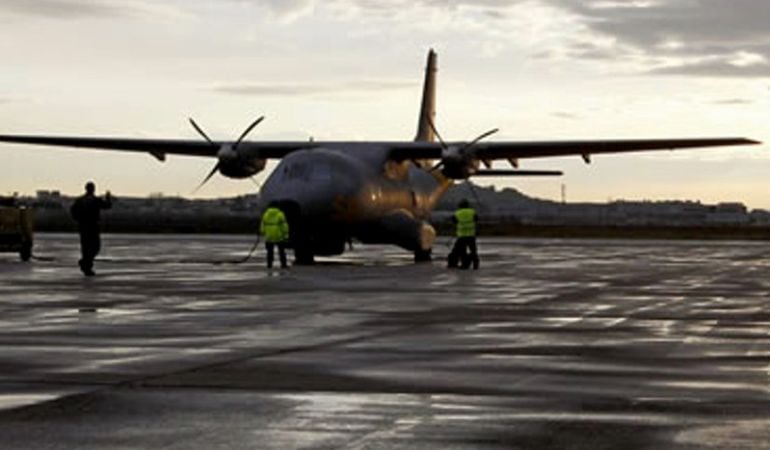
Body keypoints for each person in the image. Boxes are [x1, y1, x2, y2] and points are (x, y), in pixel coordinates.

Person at [70, 181, 112, 276]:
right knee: (95, 247)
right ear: (93, 189)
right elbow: (107, 206)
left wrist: (78, 220)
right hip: (92, 226)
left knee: (86, 248)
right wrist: (108, 198)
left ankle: (86, 264)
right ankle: (86, 264)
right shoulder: (95, 200)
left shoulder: (80, 200)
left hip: (83, 227)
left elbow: (73, 211)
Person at [447, 199, 479, 270]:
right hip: (471, 235)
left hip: (461, 235)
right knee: (473, 250)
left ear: (460, 206)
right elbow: (476, 220)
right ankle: (475, 264)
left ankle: (464, 265)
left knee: (462, 251)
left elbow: (454, 222)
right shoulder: (472, 212)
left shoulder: (457, 213)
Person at [259, 202, 289, 269]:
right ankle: (283, 264)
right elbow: (284, 225)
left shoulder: (266, 214)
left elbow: (263, 224)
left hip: (269, 236)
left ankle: (269, 264)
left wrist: (262, 232)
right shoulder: (280, 214)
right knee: (281, 251)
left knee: (270, 252)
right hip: (279, 235)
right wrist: (286, 234)